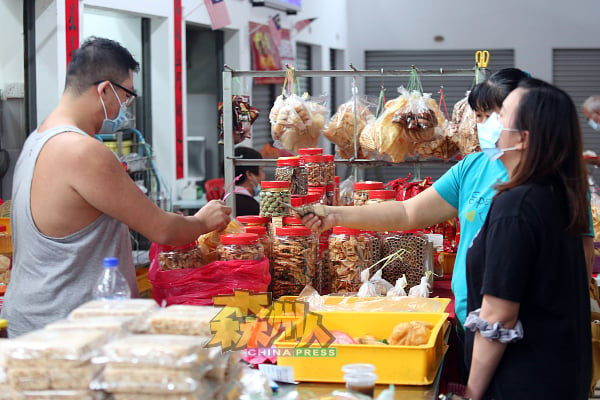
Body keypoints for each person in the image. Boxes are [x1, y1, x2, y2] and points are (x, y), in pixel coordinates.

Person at [0, 37, 231, 337]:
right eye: (127, 96)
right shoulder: (82, 151)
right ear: (105, 89)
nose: (125, 108)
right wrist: (201, 221)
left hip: (32, 320)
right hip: (70, 330)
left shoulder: (37, 140)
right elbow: (163, 230)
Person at [463, 78, 592, 399]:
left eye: (501, 115)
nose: (492, 124)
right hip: (560, 376)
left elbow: (498, 316)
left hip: (522, 382)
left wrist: (471, 392)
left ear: (522, 139)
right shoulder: (558, 195)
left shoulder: (517, 206)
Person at [233, 146, 265, 216]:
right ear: (249, 174)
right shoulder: (250, 206)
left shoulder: (225, 198)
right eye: (261, 170)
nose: (263, 176)